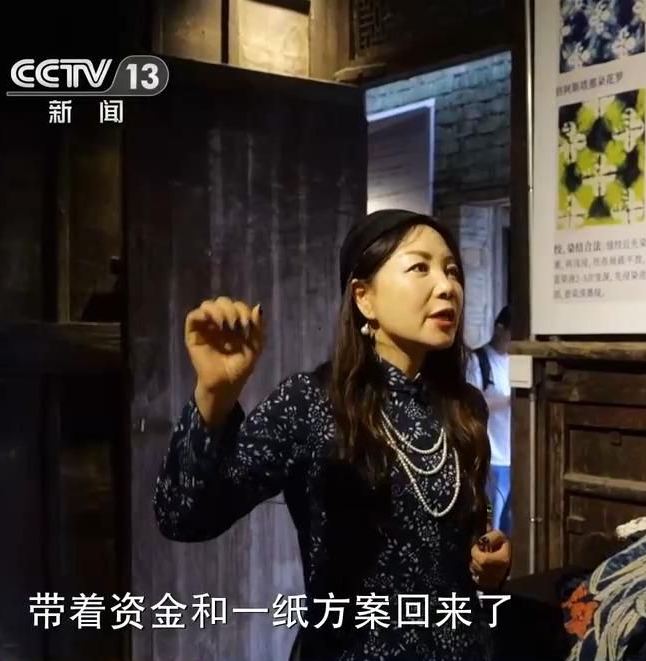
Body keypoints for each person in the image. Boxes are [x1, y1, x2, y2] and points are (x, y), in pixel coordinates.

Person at [153, 209, 513, 661]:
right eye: (420, 267)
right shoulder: (311, 403)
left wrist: (489, 561)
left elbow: (466, 537)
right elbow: (182, 516)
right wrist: (214, 394)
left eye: (452, 270)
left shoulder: (464, 407)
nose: (447, 286)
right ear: (364, 298)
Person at [466, 307, 513, 535]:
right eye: (513, 333)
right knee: (490, 523)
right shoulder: (478, 360)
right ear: (500, 328)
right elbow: (473, 404)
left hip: (516, 456)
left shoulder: (517, 360)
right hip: (493, 457)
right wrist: (510, 401)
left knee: (511, 526)